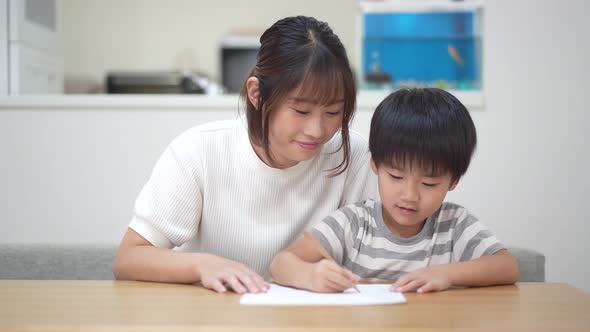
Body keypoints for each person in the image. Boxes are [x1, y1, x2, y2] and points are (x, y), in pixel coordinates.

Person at [112, 16, 377, 294]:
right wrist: (204, 265)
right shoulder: (200, 150)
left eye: (333, 112)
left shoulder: (354, 156)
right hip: (214, 317)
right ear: (257, 94)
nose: (317, 130)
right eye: (301, 111)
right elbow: (128, 258)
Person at [269, 88, 520, 293]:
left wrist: (446, 274)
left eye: (429, 184)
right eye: (396, 176)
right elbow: (281, 263)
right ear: (375, 166)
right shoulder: (354, 223)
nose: (409, 195)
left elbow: (507, 266)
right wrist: (312, 275)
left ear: (453, 181)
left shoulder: (454, 224)